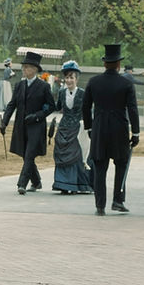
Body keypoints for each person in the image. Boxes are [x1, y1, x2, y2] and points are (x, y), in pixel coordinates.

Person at [83, 44, 140, 214]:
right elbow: (132, 109)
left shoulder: (94, 82)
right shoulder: (126, 83)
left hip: (99, 127)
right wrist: (135, 132)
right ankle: (118, 200)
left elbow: (85, 107)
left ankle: (100, 205)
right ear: (118, 65)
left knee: (100, 166)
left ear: (104, 63)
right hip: (119, 128)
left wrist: (89, 127)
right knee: (121, 164)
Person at [0, 51, 55, 194]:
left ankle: (22, 183)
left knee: (30, 153)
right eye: (24, 67)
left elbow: (51, 106)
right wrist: (4, 123)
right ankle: (36, 182)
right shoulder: (19, 85)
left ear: (35, 69)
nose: (24, 70)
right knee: (26, 155)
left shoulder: (44, 87)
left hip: (36, 126)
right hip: (21, 125)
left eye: (27, 67)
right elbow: (12, 105)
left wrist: (37, 116)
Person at [50, 60, 92, 194]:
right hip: (63, 128)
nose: (69, 80)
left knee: (76, 155)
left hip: (77, 128)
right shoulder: (62, 93)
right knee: (61, 154)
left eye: (71, 77)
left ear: (77, 79)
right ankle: (62, 184)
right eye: (67, 77)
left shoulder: (83, 93)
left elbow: (88, 111)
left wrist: (88, 127)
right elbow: (57, 107)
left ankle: (74, 184)